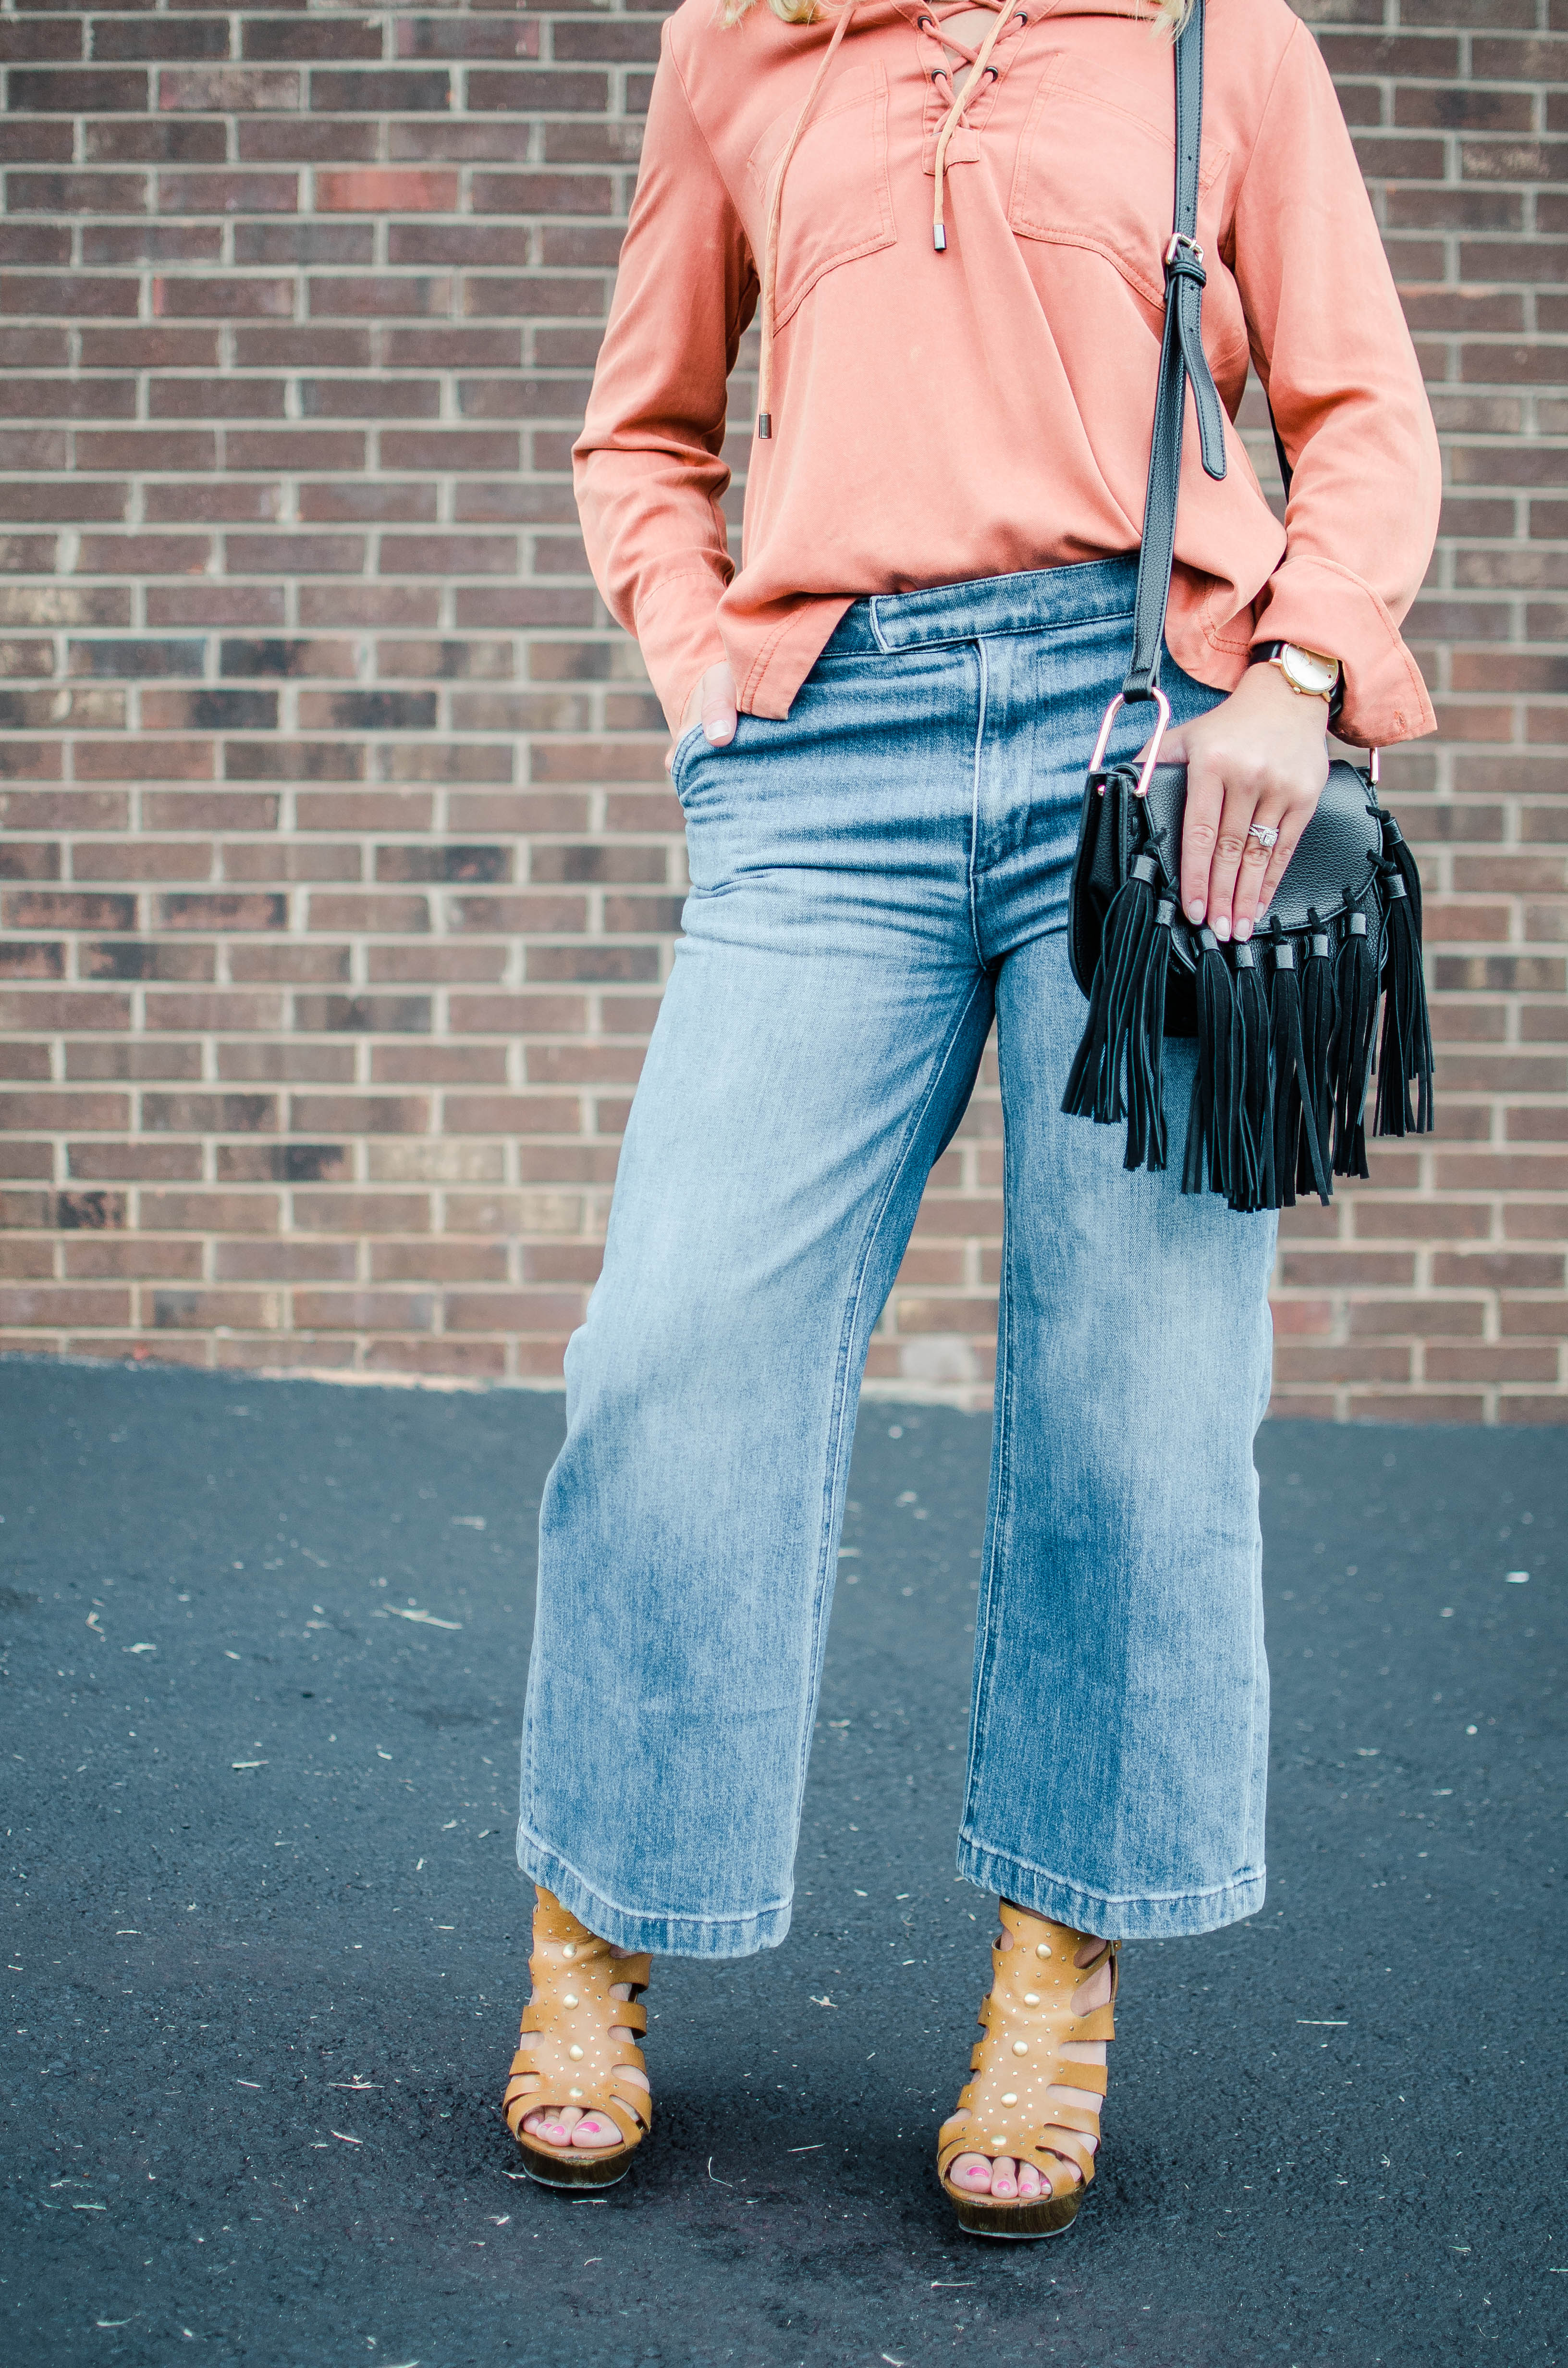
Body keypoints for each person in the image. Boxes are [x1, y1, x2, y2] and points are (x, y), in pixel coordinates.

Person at [501, 0, 1440, 2238]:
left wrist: (1300, 671)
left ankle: (1056, 1975)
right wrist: (701, 669)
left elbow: (1364, 416)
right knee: (672, 1347)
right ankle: (595, 1926)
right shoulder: (742, 46)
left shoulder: (1224, 42)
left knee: (1133, 1399)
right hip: (828, 764)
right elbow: (639, 433)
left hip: (1162, 760)